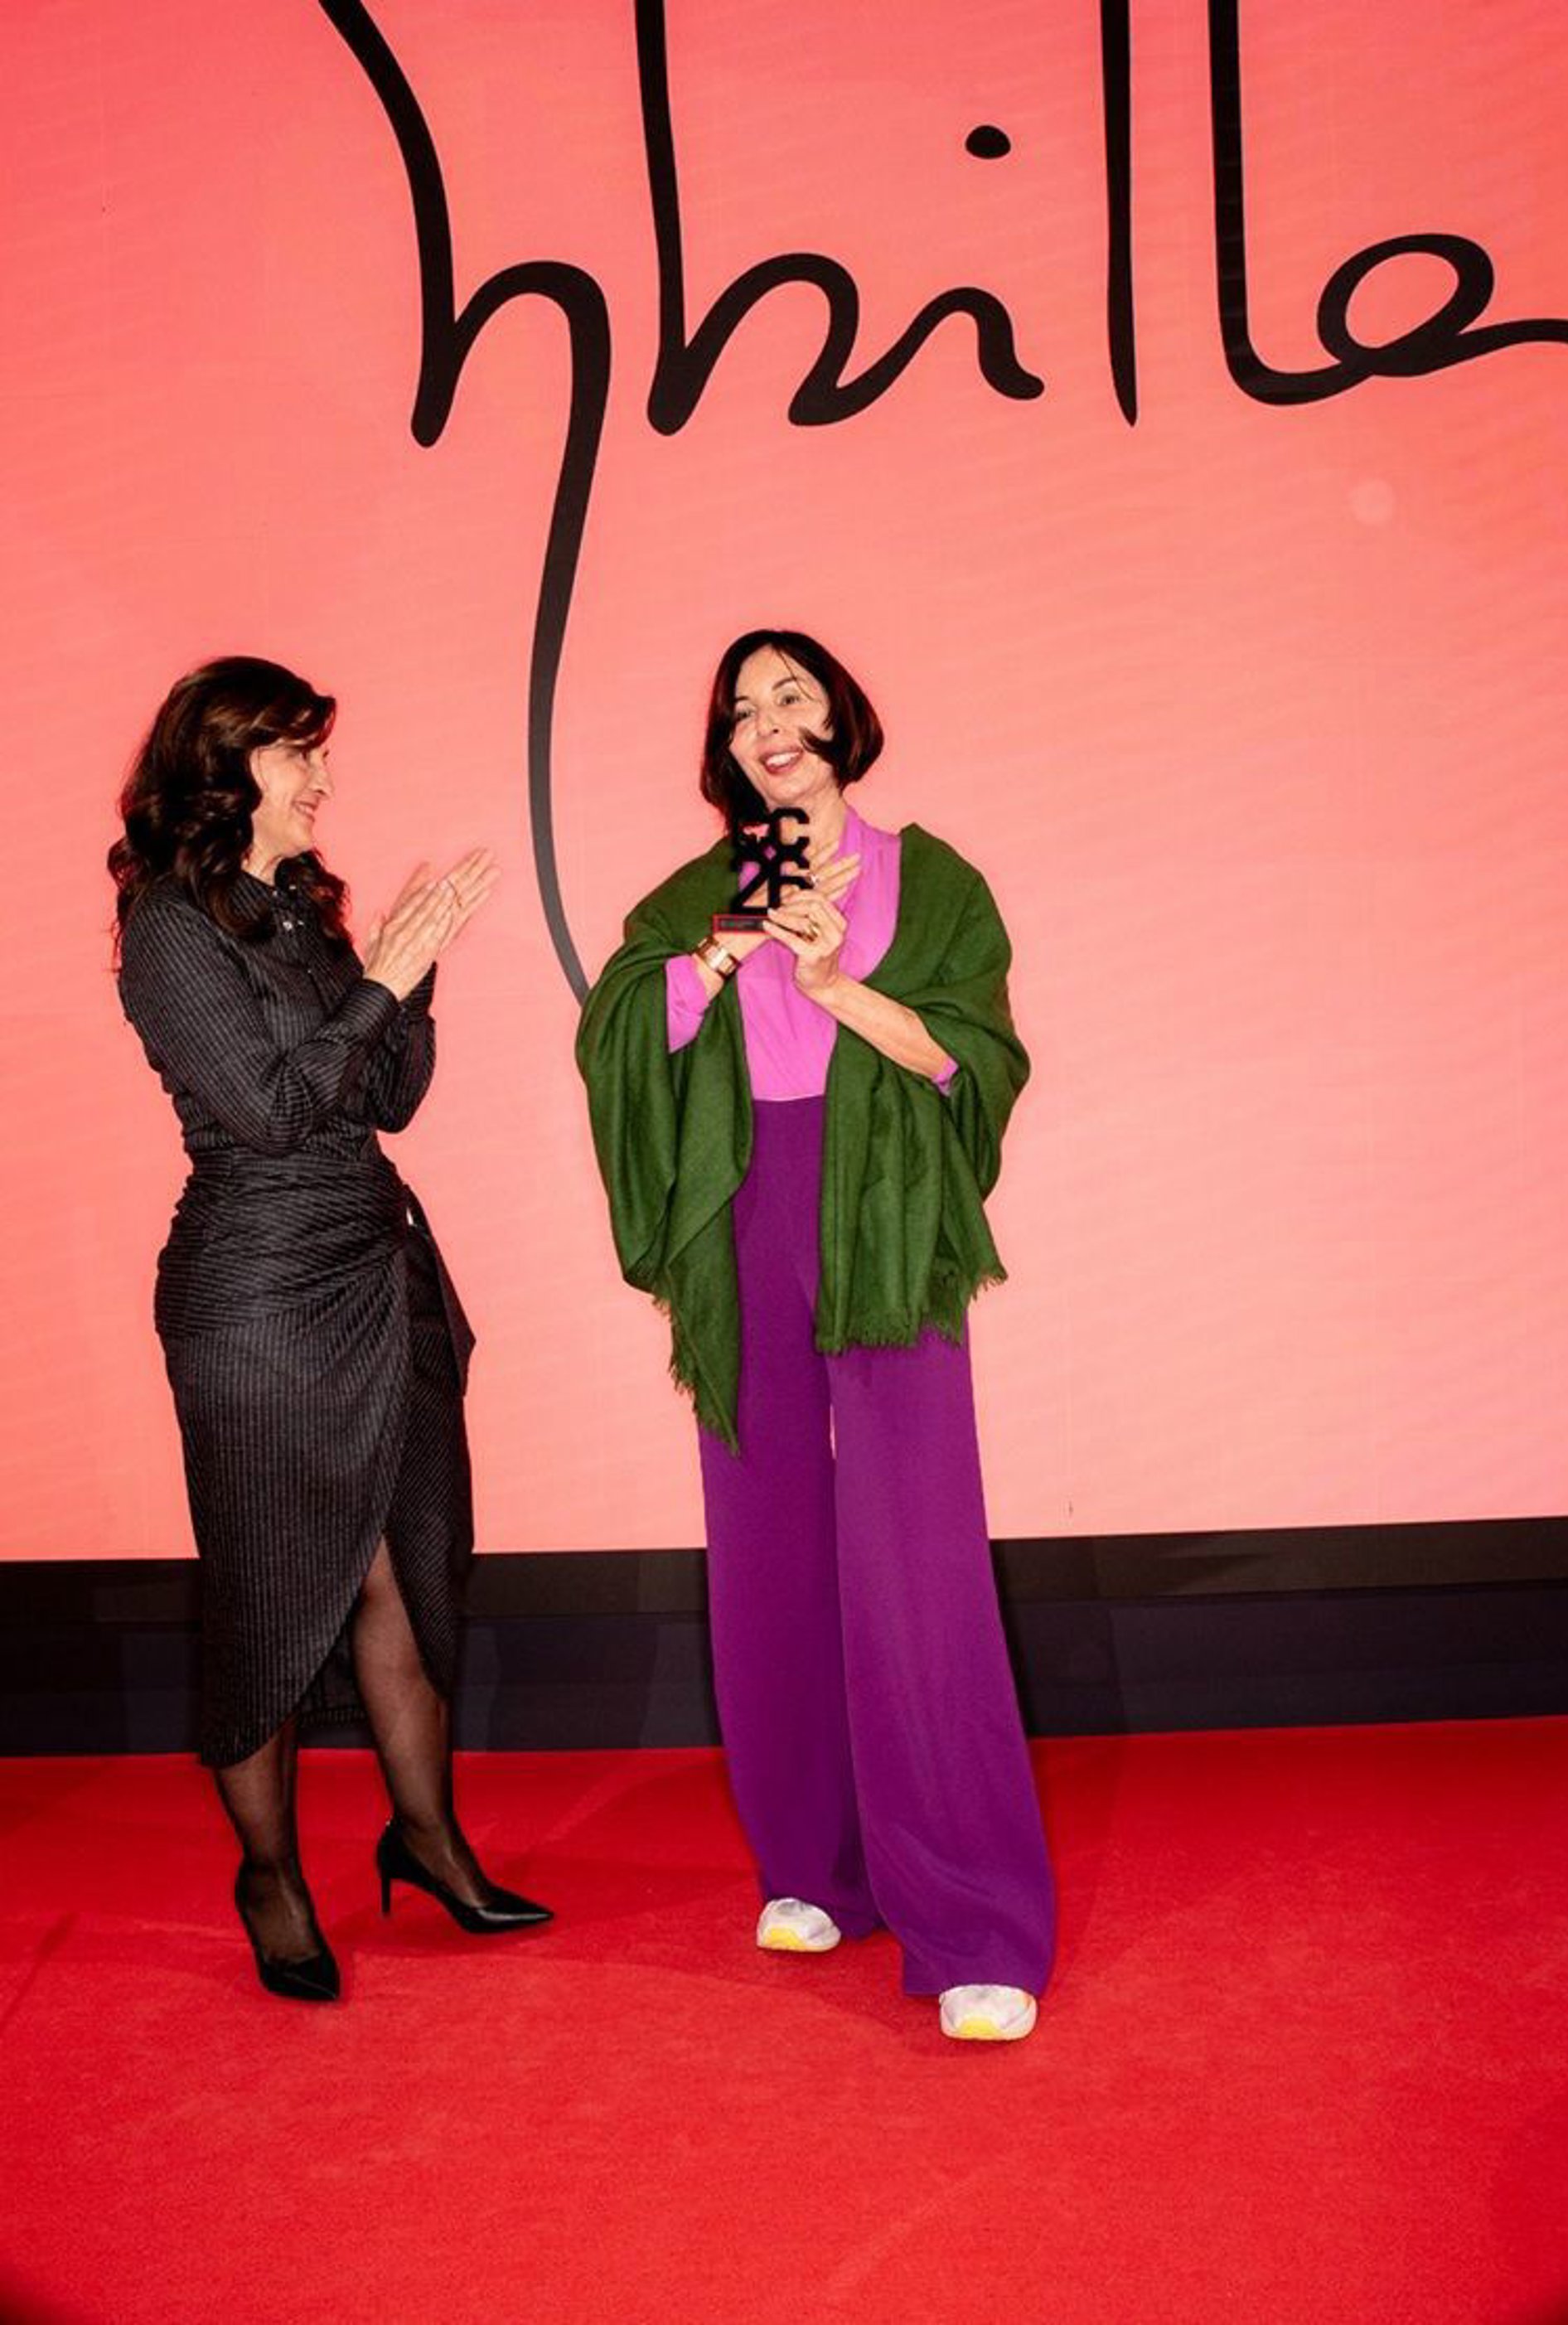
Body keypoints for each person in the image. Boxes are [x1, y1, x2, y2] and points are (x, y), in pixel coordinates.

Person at [576, 629, 1054, 2040]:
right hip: (745, 1210)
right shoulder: (700, 892)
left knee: (915, 1551)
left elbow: (973, 1057)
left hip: (883, 1205)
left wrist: (838, 981)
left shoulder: (934, 878)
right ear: (726, 752)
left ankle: (975, 1921)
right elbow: (622, 1036)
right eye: (741, 708)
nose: (767, 721)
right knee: (766, 1538)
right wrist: (722, 954)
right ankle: (813, 1862)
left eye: (790, 693)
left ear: (841, 716)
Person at [111, 656, 550, 2004]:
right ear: (225, 762)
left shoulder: (303, 908)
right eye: (299, 751)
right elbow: (268, 1110)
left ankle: (428, 1839)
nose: (324, 777)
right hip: (255, 1296)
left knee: (404, 1569)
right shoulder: (171, 925)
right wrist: (385, 977)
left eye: (319, 749)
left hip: (373, 1265)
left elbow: (388, 1095)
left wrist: (411, 973)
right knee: (268, 1594)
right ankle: (270, 1878)